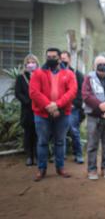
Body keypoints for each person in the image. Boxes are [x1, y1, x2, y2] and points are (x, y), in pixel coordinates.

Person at [29, 47, 77, 181]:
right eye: (48, 57)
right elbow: (34, 92)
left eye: (54, 57)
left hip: (62, 113)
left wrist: (57, 104)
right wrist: (49, 106)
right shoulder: (38, 73)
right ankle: (41, 169)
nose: (51, 59)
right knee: (43, 142)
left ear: (59, 58)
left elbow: (72, 92)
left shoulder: (69, 74)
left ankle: (60, 167)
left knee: (60, 142)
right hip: (42, 114)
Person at [15, 54, 40, 166]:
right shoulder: (21, 77)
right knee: (28, 133)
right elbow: (18, 93)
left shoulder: (40, 76)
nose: (31, 64)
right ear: (25, 64)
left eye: (33, 62)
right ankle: (29, 156)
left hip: (39, 109)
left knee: (38, 134)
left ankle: (36, 155)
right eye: (29, 62)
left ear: (37, 63)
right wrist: (28, 102)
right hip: (27, 111)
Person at [60, 50, 84, 164]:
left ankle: (78, 154)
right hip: (59, 107)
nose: (63, 60)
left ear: (69, 59)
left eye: (65, 58)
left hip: (73, 108)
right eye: (61, 58)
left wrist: (75, 103)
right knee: (60, 132)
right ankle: (60, 155)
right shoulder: (55, 73)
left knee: (74, 131)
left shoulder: (76, 74)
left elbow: (81, 91)